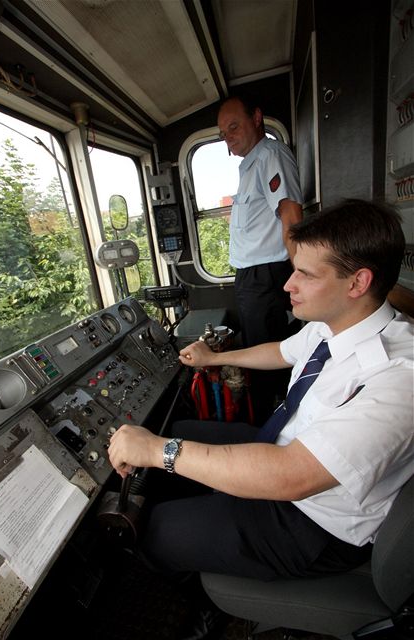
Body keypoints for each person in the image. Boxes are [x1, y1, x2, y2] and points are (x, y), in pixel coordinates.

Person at [108, 199, 413, 638]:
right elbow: (282, 352)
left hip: (314, 523)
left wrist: (159, 452)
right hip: (285, 449)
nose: (288, 284)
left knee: (154, 532)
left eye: (305, 274)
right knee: (178, 431)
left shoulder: (398, 376)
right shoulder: (335, 322)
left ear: (357, 282)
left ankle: (200, 610)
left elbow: (293, 477)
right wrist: (216, 356)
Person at [217, 96, 303, 422]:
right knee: (260, 358)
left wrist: (302, 274)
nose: (229, 138)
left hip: (267, 276)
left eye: (234, 127)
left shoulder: (269, 154)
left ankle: (274, 431)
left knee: (268, 363)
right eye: (224, 133)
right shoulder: (252, 163)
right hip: (256, 278)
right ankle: (269, 422)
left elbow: (291, 216)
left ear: (256, 117)